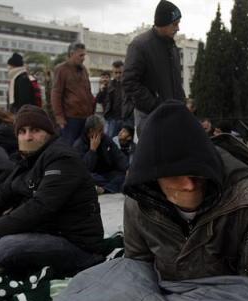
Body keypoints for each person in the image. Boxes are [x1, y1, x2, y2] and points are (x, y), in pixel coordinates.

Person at [123, 100, 248, 289]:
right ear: (154, 179)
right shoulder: (138, 203)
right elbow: (138, 275)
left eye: (196, 173)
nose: (189, 185)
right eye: (175, 176)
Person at [0, 105, 105, 289]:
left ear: (48, 132)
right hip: (45, 234)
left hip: (78, 246)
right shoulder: (28, 161)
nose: (28, 137)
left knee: (4, 246)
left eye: (35, 130)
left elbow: (40, 207)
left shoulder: (62, 158)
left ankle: (0, 272)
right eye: (22, 132)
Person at [122, 0, 185, 137]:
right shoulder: (140, 46)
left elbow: (176, 82)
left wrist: (182, 106)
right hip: (150, 117)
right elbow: (129, 82)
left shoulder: (172, 47)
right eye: (175, 24)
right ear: (162, 23)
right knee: (152, 157)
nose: (178, 28)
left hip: (172, 116)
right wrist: (155, 105)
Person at [51, 42, 94, 144]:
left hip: (86, 117)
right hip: (70, 119)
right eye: (81, 55)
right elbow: (56, 94)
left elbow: (88, 92)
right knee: (70, 148)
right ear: (71, 54)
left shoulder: (83, 69)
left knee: (84, 147)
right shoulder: (61, 69)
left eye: (84, 55)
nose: (83, 58)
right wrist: (59, 117)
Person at [73, 115, 128, 194]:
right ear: (91, 130)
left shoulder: (105, 139)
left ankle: (104, 189)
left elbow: (118, 155)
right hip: (93, 176)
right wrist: (92, 150)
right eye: (100, 130)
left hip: (107, 174)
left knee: (122, 175)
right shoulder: (79, 145)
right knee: (85, 178)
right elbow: (84, 169)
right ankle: (111, 187)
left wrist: (127, 168)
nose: (103, 132)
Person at [95, 60, 132, 140]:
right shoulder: (109, 85)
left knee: (126, 142)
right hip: (112, 120)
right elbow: (99, 100)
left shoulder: (129, 84)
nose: (118, 75)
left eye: (120, 72)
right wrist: (102, 90)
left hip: (126, 119)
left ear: (124, 71)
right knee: (110, 141)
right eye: (116, 73)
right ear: (112, 72)